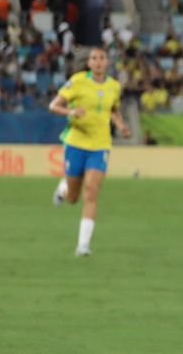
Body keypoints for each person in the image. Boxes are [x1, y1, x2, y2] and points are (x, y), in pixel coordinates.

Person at [49, 46, 131, 256]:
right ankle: (64, 188)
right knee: (73, 198)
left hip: (100, 145)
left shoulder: (114, 86)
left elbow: (113, 110)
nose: (98, 62)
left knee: (92, 191)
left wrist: (121, 125)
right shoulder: (77, 81)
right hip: (76, 143)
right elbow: (53, 106)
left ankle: (83, 246)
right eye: (94, 58)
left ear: (107, 62)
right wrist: (71, 112)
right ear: (88, 63)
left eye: (102, 58)